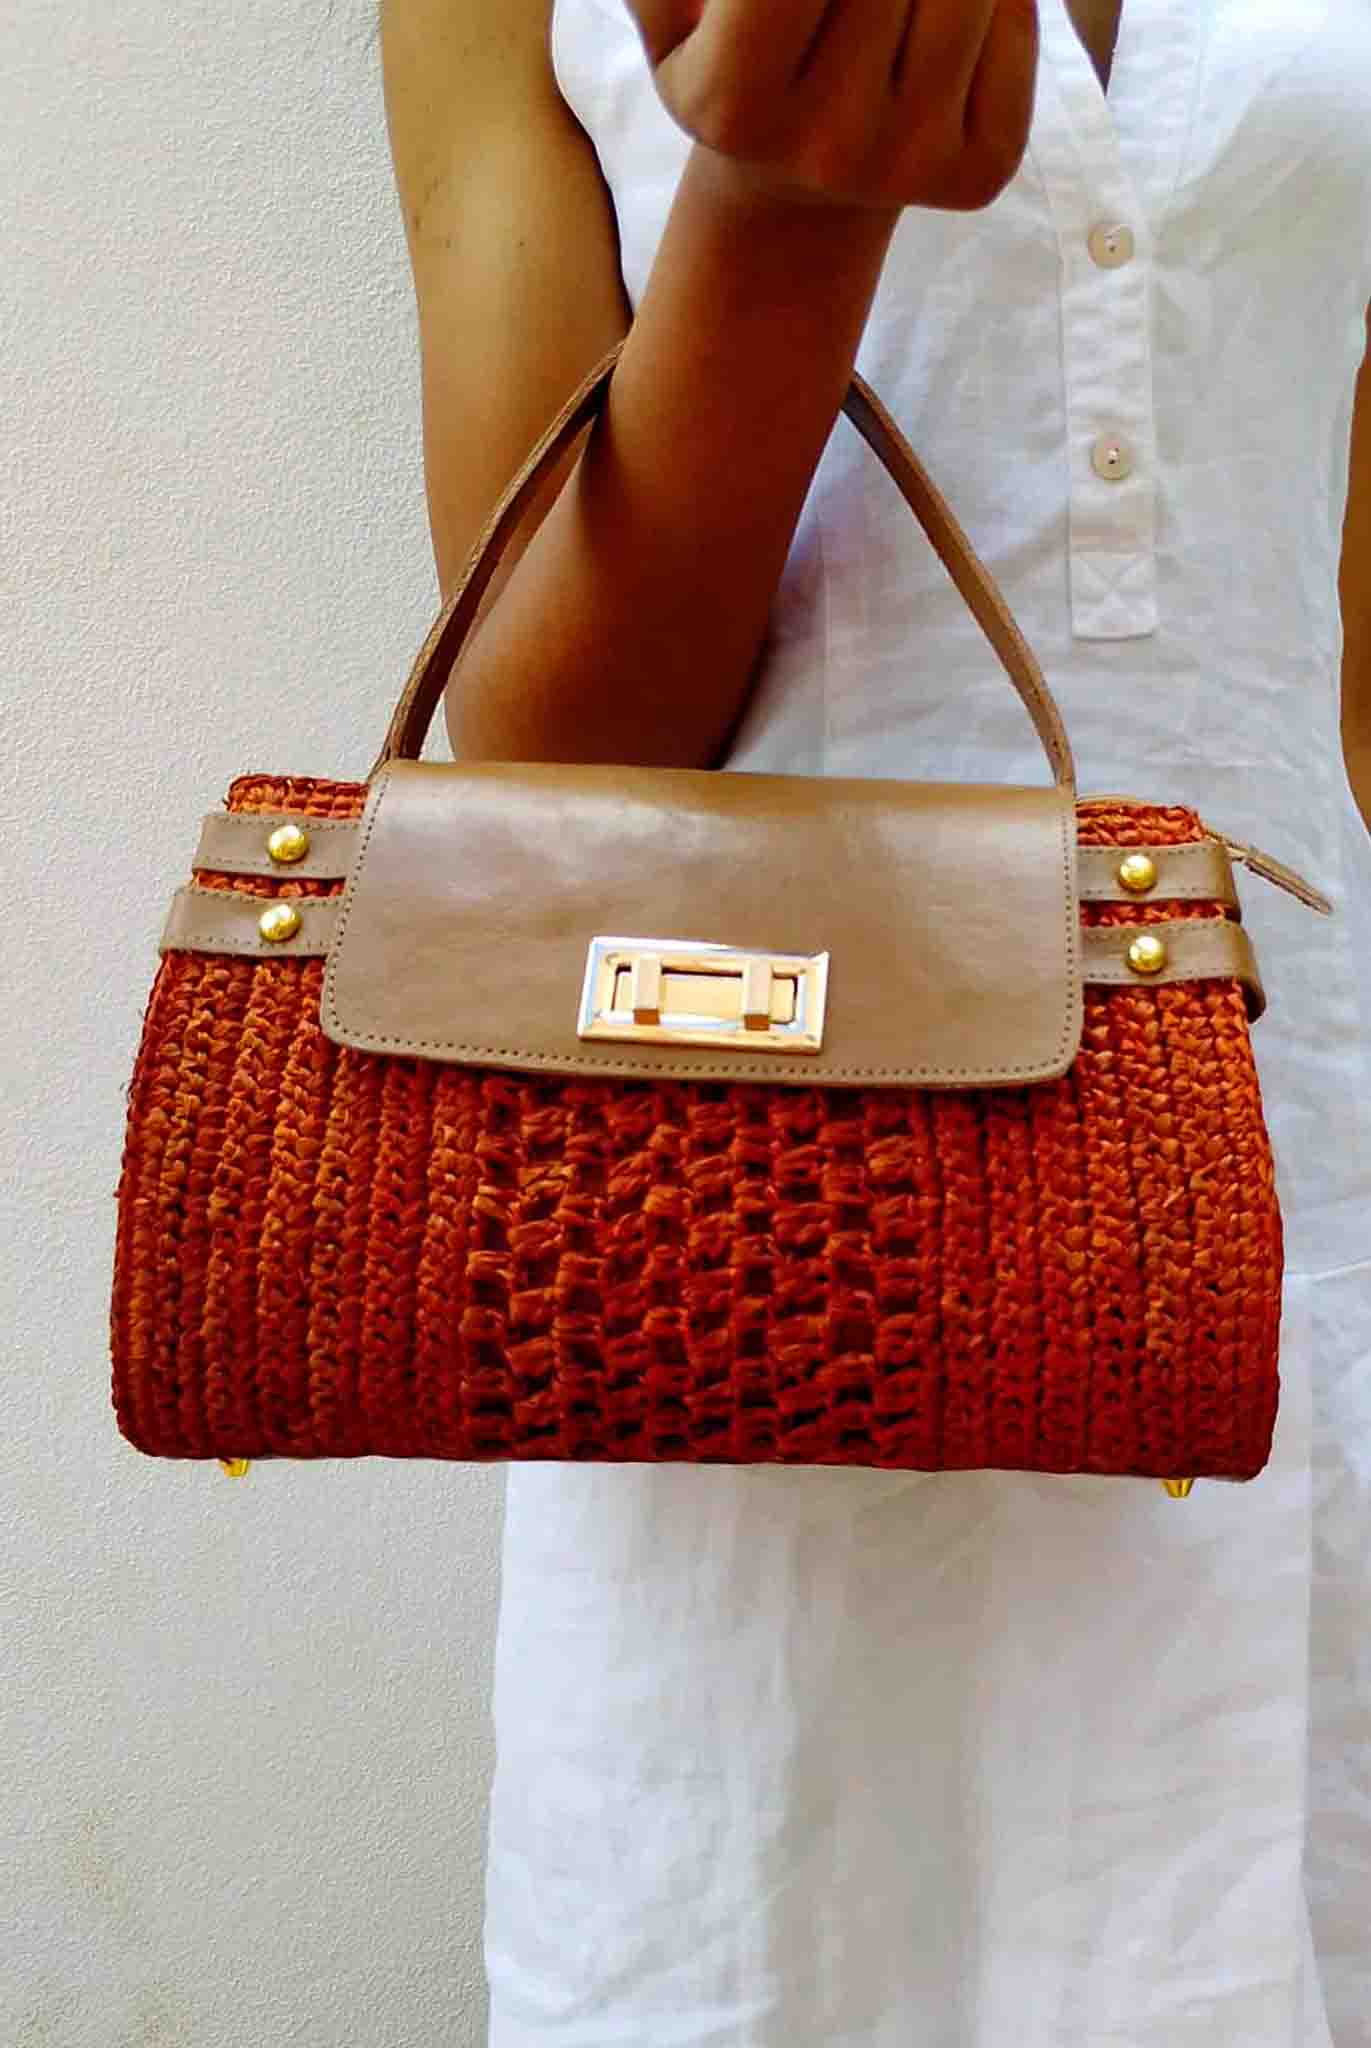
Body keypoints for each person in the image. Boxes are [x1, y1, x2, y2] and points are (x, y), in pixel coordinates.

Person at [379, 2, 1371, 2040]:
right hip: (752, 1235)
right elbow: (548, 750)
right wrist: (780, 209)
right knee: (783, 1935)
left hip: (1311, 1190)